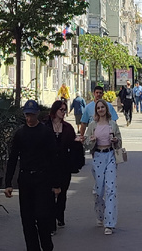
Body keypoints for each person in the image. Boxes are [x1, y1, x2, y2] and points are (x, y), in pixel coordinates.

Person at [5, 100, 62, 251]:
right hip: (25, 180)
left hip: (42, 179)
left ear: (37, 114)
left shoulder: (46, 133)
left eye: (31, 115)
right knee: (27, 219)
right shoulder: (20, 134)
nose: (29, 118)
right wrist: (8, 183)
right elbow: (13, 158)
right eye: (27, 115)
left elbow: (54, 158)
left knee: (42, 217)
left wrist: (56, 184)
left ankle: (47, 246)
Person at [83, 99, 123, 235]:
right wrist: (91, 140)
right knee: (99, 191)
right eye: (98, 108)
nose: (101, 109)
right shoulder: (92, 125)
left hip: (110, 155)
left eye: (102, 107)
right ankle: (100, 214)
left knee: (111, 189)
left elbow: (119, 142)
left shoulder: (112, 124)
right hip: (98, 157)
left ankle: (109, 223)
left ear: (106, 109)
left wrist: (116, 141)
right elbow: (86, 144)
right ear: (96, 111)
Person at [47, 98, 80, 230]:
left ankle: (59, 215)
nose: (63, 112)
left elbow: (72, 144)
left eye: (65, 110)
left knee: (62, 192)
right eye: (61, 109)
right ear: (55, 110)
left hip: (64, 165)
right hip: (49, 166)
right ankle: (51, 221)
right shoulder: (46, 126)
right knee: (49, 194)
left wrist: (77, 142)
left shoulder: (67, 127)